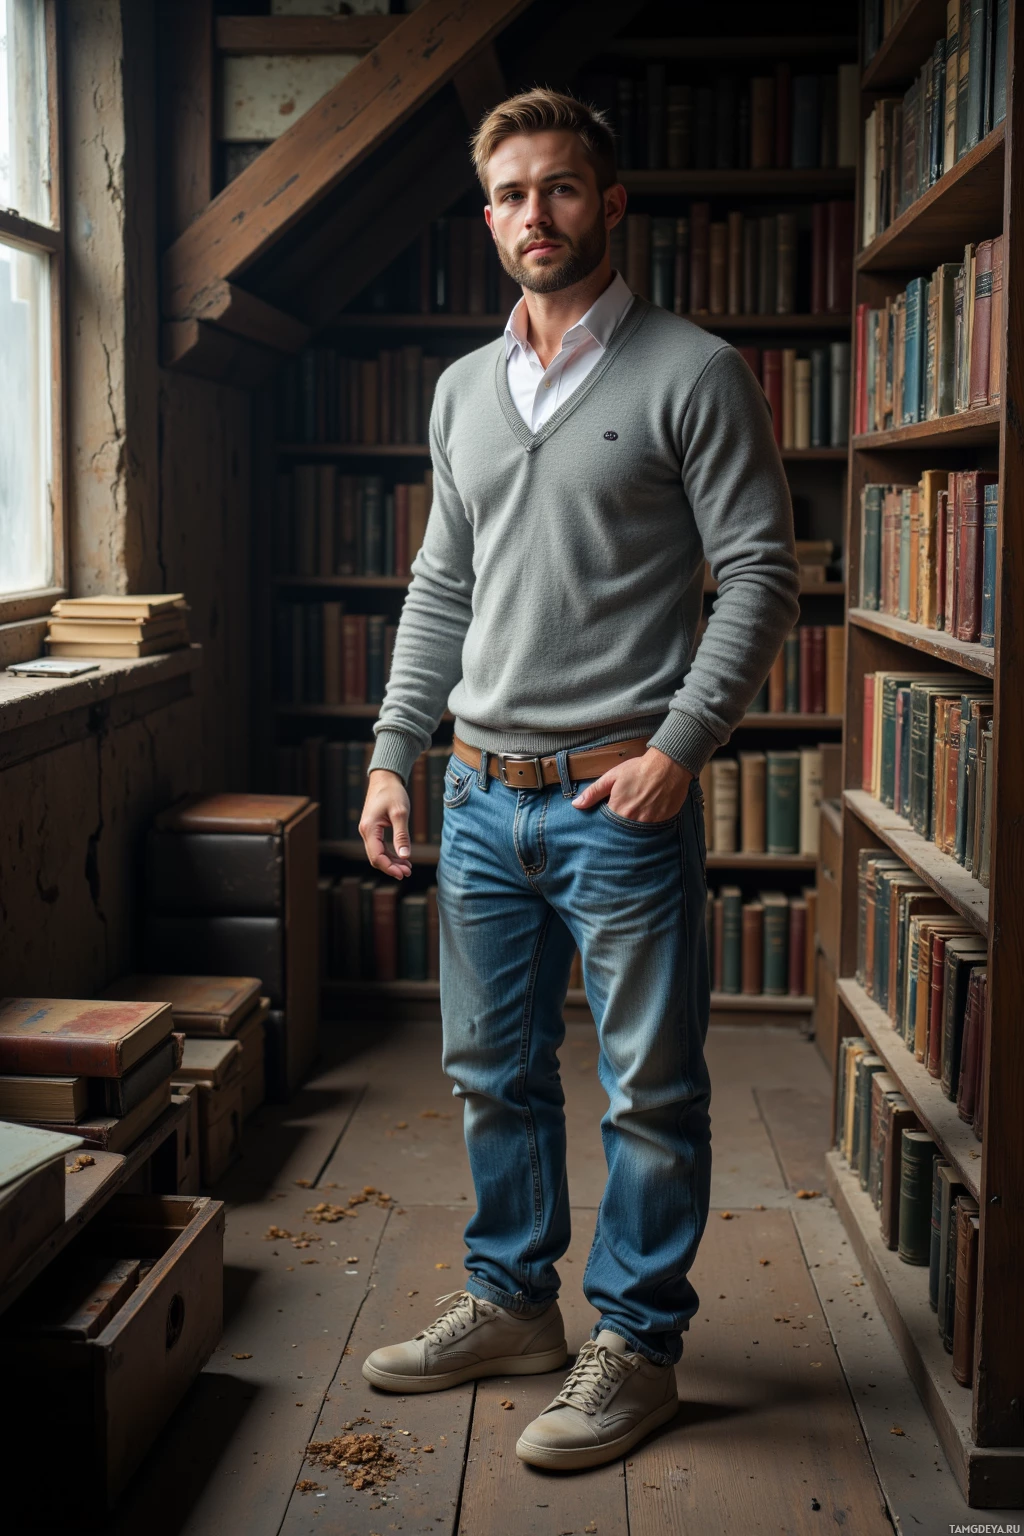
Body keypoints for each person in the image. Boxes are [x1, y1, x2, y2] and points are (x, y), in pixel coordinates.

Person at [357, 87, 799, 1472]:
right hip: (480, 793)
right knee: (492, 1073)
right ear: (485, 217)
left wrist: (682, 746)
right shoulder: (461, 392)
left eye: (557, 189)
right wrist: (391, 755)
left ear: (611, 205)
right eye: (507, 195)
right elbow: (442, 584)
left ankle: (640, 1347)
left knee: (649, 1090)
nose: (531, 216)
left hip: (621, 801)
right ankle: (511, 1306)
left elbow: (765, 575)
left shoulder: (693, 371)